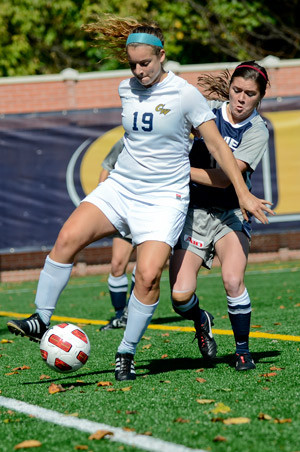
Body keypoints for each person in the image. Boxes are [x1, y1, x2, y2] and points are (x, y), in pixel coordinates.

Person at [7, 16, 273, 382]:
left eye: (145, 63)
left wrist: (243, 194)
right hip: (123, 186)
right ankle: (41, 317)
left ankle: (126, 353)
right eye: (132, 63)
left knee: (147, 278)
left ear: (161, 56)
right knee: (68, 237)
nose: (138, 70)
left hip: (165, 198)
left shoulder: (184, 94)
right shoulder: (125, 89)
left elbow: (217, 146)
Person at [169, 61, 270, 371]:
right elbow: (172, 122)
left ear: (260, 97)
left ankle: (242, 351)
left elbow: (226, 178)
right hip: (193, 213)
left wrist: (178, 170)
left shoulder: (257, 130)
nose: (241, 98)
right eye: (237, 90)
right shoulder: (208, 109)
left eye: (249, 94)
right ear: (229, 89)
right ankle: (202, 319)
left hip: (230, 215)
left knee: (232, 280)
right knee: (179, 297)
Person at [99, 138, 136, 330]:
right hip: (127, 212)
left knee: (146, 268)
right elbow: (107, 165)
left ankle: (133, 314)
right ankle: (120, 315)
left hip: (155, 211)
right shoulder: (126, 141)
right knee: (117, 265)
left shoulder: (176, 142)